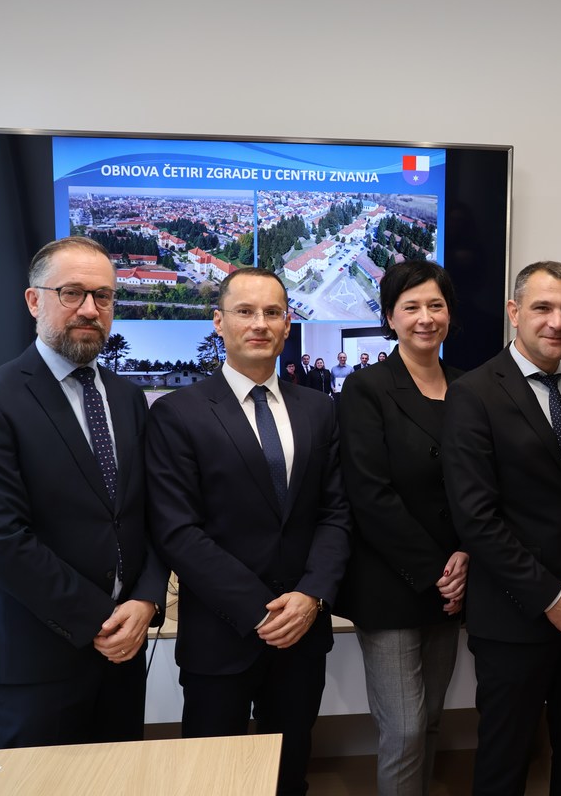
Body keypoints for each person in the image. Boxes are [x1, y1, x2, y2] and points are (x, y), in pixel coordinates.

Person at [146, 267, 352, 796]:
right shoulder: (177, 413)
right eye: (245, 311)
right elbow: (177, 530)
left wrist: (311, 595)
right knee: (213, 780)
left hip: (303, 631)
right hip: (221, 635)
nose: (259, 323)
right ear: (219, 322)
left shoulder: (319, 409)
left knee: (290, 772)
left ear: (287, 325)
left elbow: (335, 512)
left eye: (272, 312)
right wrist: (260, 610)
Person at [0, 236, 167, 748]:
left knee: (121, 780)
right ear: (34, 301)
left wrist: (146, 600)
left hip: (123, 649)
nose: (90, 309)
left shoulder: (128, 397)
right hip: (37, 655)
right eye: (72, 293)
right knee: (42, 784)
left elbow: (147, 515)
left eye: (103, 296)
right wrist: (101, 618)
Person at [442, 261, 561, 795]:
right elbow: (476, 518)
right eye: (543, 307)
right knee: (505, 762)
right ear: (514, 311)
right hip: (514, 617)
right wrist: (551, 596)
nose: (557, 322)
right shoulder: (474, 393)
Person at [336, 261, 468, 796]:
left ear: (450, 313)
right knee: (406, 728)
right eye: (410, 307)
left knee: (431, 718)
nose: (425, 318)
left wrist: (466, 556)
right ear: (389, 317)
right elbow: (370, 494)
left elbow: (485, 485)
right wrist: (438, 569)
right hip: (392, 583)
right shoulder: (366, 388)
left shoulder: (470, 387)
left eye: (436, 305)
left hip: (456, 581)